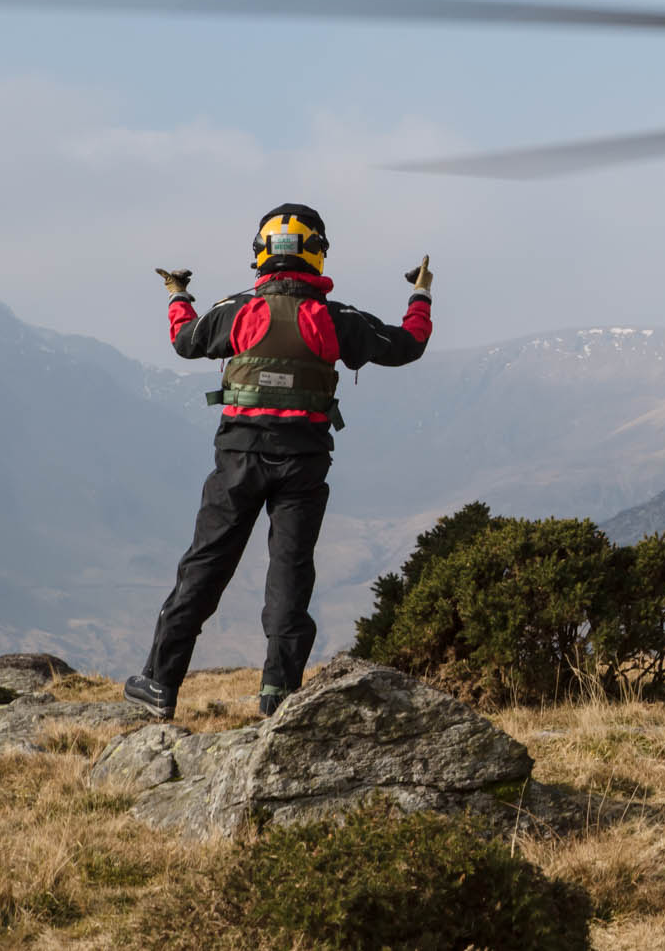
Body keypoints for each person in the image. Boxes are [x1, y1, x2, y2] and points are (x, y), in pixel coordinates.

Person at [123, 204, 433, 721]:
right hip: (304, 462)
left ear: (262, 254)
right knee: (290, 572)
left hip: (238, 459)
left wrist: (177, 295)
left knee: (204, 567)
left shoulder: (237, 309)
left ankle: (160, 683)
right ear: (316, 253)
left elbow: (185, 341)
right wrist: (420, 293)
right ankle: (278, 693)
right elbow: (408, 345)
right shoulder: (339, 319)